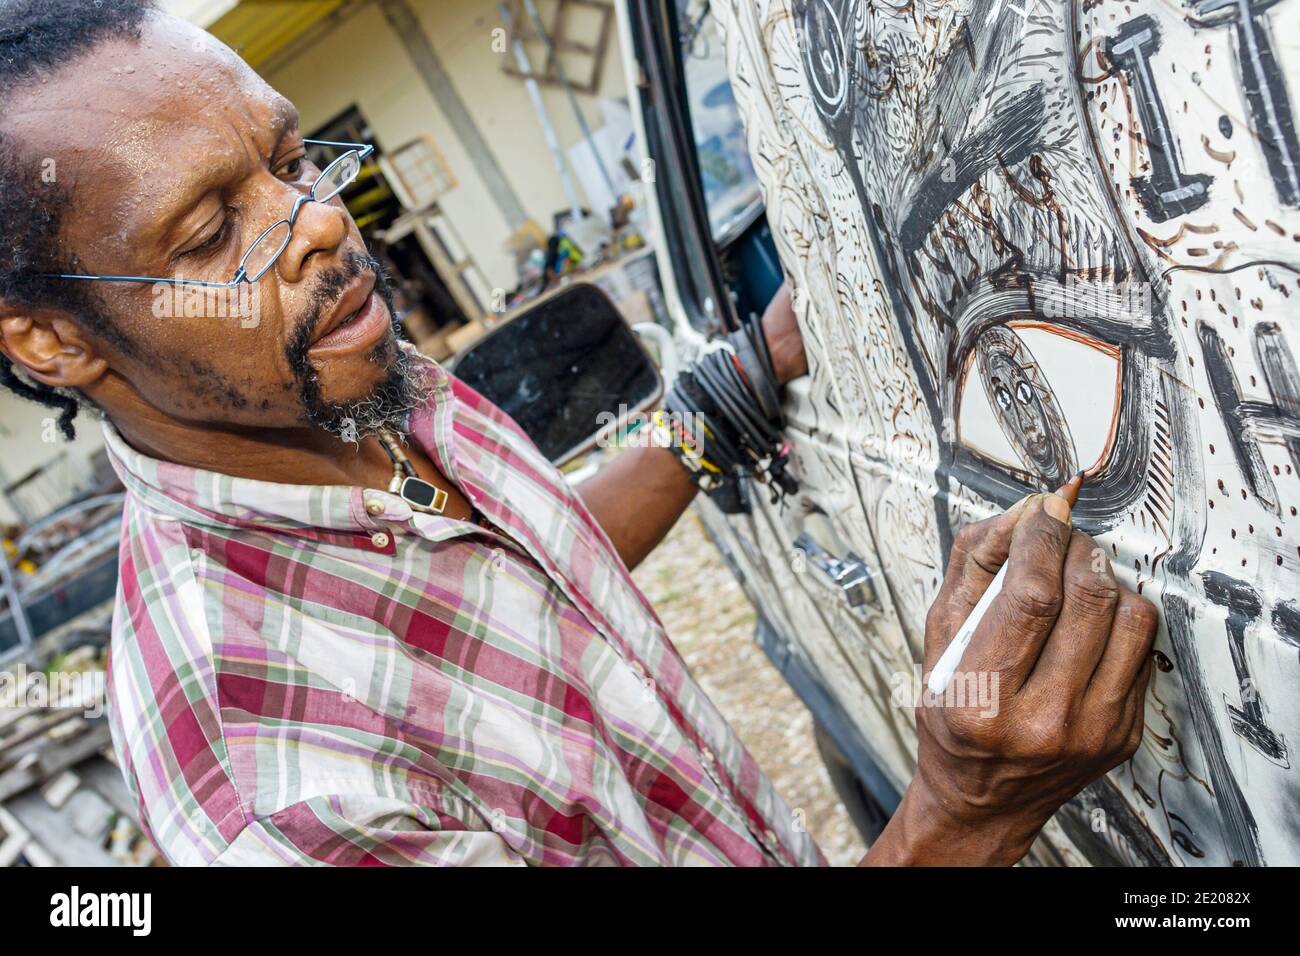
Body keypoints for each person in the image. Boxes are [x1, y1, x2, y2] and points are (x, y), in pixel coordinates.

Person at [0, 0, 1155, 866]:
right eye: (209, 231)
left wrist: (745, 376)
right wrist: (965, 811)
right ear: (51, 341)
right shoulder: (278, 794)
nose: (318, 225)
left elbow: (519, 579)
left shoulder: (359, 387)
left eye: (290, 159)